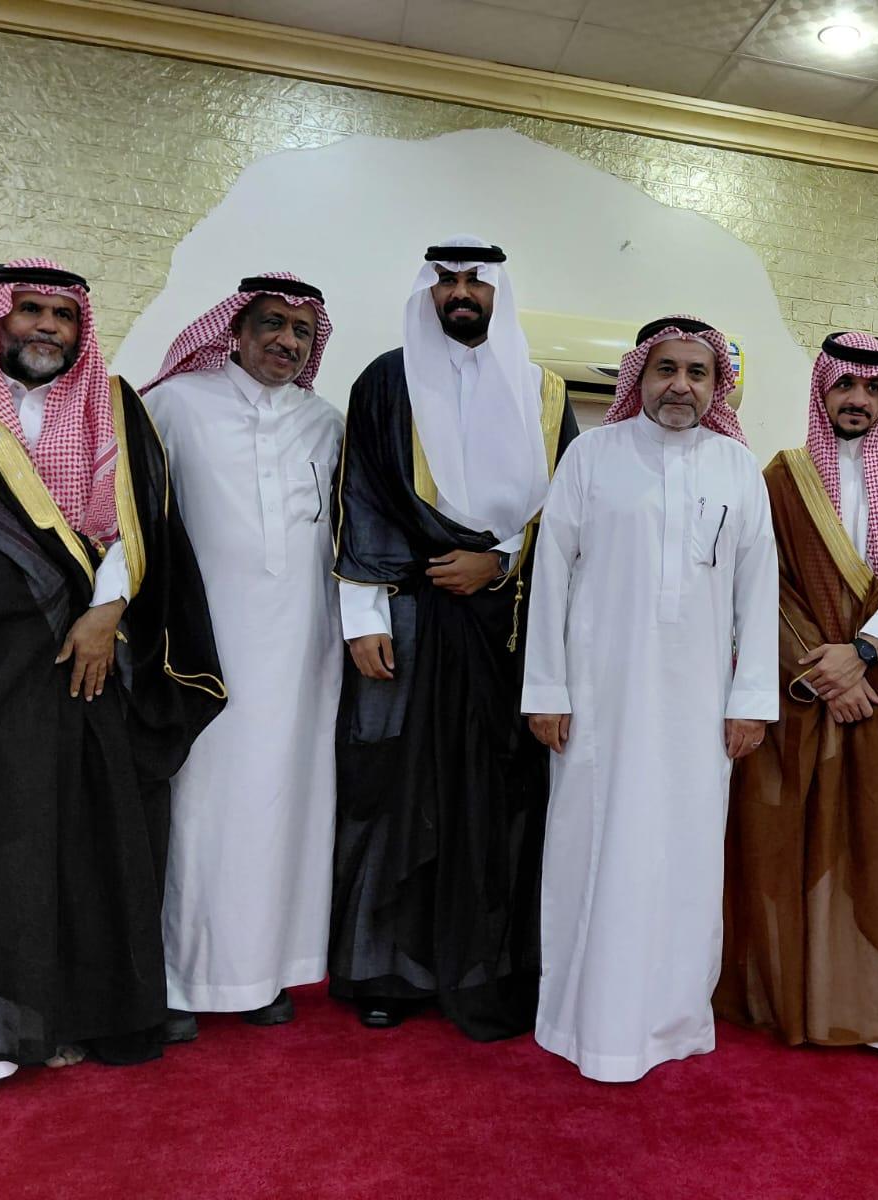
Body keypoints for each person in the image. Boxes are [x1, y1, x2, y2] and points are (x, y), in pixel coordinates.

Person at [0, 259, 223, 1111]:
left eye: (63, 315)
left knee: (64, 833)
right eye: (30, 309)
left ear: (81, 328)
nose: (46, 327)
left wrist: (105, 614)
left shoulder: (115, 406)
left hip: (76, 662)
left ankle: (56, 1016)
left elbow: (138, 526)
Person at [331, 237, 577, 1039]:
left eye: (477, 281)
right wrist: (363, 618)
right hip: (406, 617)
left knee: (497, 793)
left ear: (501, 292)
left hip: (504, 622)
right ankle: (388, 970)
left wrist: (497, 562)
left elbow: (565, 513)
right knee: (396, 787)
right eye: (447, 282)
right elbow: (362, 496)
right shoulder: (386, 379)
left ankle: (487, 964)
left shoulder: (545, 394)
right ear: (428, 292)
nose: (461, 293)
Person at [523, 315, 779, 1083]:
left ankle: (671, 1022)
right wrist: (547, 689)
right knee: (592, 851)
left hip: (699, 710)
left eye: (698, 373)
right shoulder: (592, 456)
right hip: (598, 701)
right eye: (666, 369)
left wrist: (751, 701)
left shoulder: (737, 468)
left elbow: (757, 591)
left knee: (686, 857)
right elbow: (551, 575)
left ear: (716, 386)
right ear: (640, 375)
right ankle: (585, 1020)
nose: (680, 386)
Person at [716, 332, 878, 1072]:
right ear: (822, 390)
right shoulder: (782, 477)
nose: (857, 400)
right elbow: (761, 585)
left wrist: (862, 651)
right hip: (806, 697)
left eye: (872, 389)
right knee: (802, 850)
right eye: (844, 386)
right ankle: (810, 1001)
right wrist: (827, 670)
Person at [142, 273, 342, 1040]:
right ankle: (178, 978)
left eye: (301, 331)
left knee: (286, 809)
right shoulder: (175, 404)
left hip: (301, 655)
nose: (286, 341)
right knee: (200, 810)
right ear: (235, 329)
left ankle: (262, 974)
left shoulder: (326, 423)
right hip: (202, 654)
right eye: (272, 324)